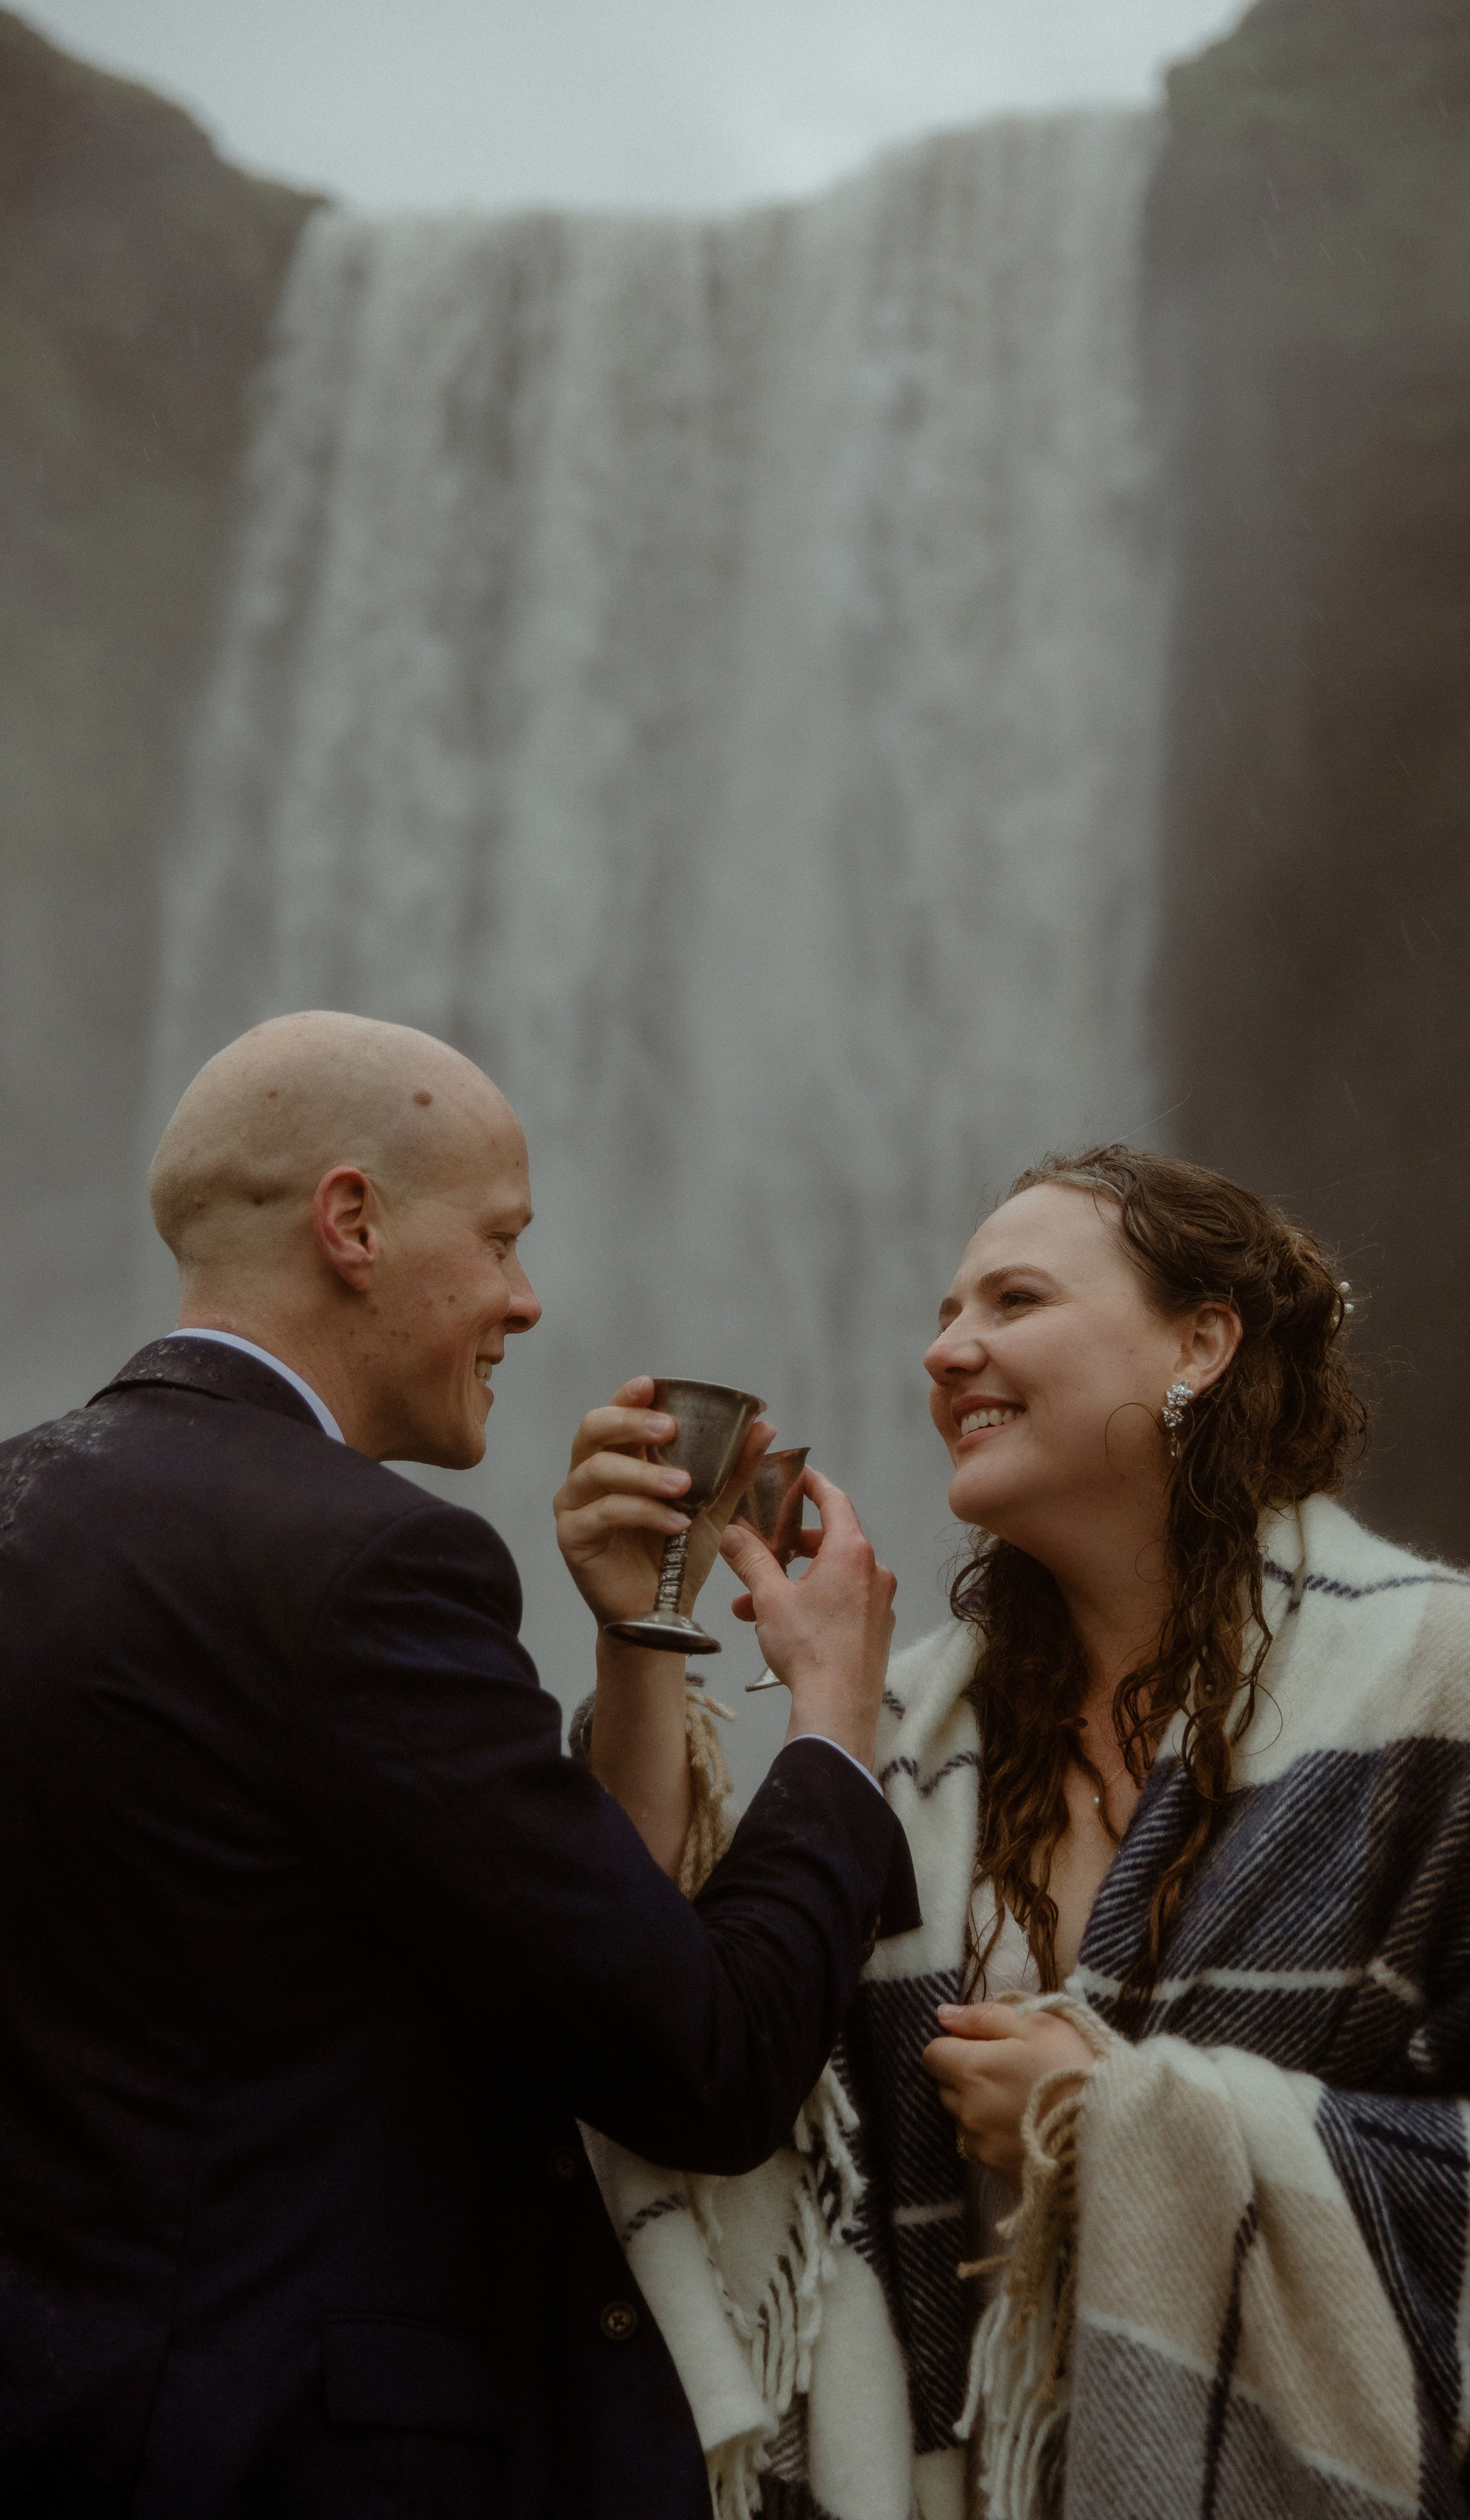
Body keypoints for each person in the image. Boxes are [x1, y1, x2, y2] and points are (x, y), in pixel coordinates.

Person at [566, 1143, 1470, 2520]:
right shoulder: (907, 1722)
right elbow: (673, 2026)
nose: (945, 1354)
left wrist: (1122, 2128)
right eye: (938, 1318)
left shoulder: (1445, 1683)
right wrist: (642, 1636)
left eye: (1009, 1303)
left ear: (1200, 1345)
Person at [0, 1009, 915, 2520]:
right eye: (499, 1239)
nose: (527, 1300)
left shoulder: (30, 1507)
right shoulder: (366, 1565)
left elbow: (526, 1961)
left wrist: (637, 1645)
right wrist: (834, 1720)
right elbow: (704, 2060)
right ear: (350, 1222)